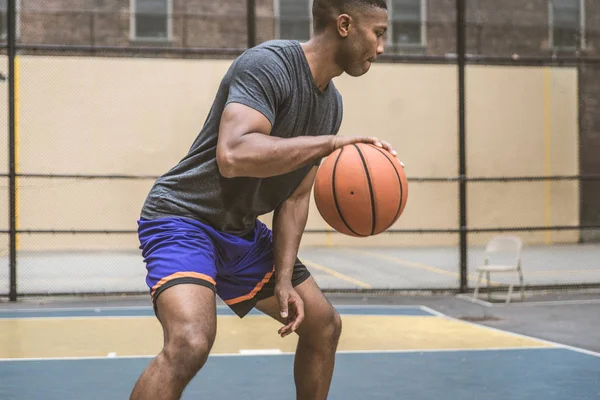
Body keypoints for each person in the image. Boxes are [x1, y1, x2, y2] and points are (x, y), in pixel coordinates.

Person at [130, 1, 395, 399]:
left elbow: (295, 198)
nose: (381, 47)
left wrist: (285, 279)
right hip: (184, 218)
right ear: (344, 25)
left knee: (323, 326)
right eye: (378, 33)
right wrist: (330, 144)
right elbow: (233, 154)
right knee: (190, 342)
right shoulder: (269, 64)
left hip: (241, 231)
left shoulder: (331, 105)